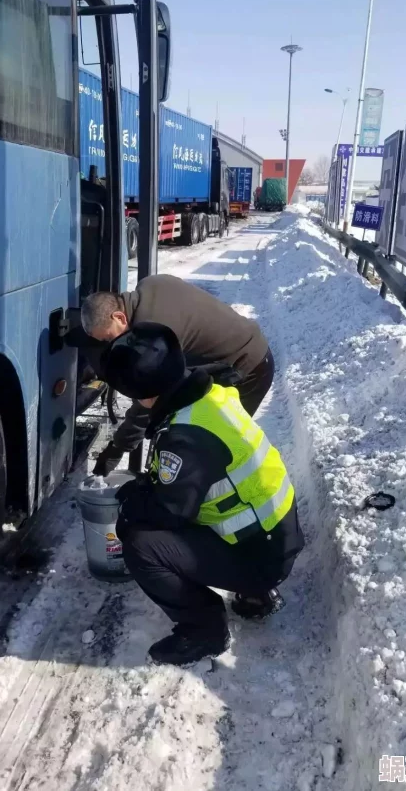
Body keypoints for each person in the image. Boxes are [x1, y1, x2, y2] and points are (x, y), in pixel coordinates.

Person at [101, 322, 304, 667]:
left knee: (139, 543)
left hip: (263, 556)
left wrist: (130, 504)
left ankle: (204, 630)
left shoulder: (186, 438)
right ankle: (254, 592)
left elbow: (167, 512)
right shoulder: (211, 395)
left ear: (145, 394)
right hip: (276, 532)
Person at [81, 274, 275, 475]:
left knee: (209, 450)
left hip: (247, 369)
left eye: (108, 338)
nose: (111, 345)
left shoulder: (156, 333)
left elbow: (149, 401)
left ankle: (238, 497)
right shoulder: (149, 285)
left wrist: (117, 448)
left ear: (119, 317)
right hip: (240, 353)